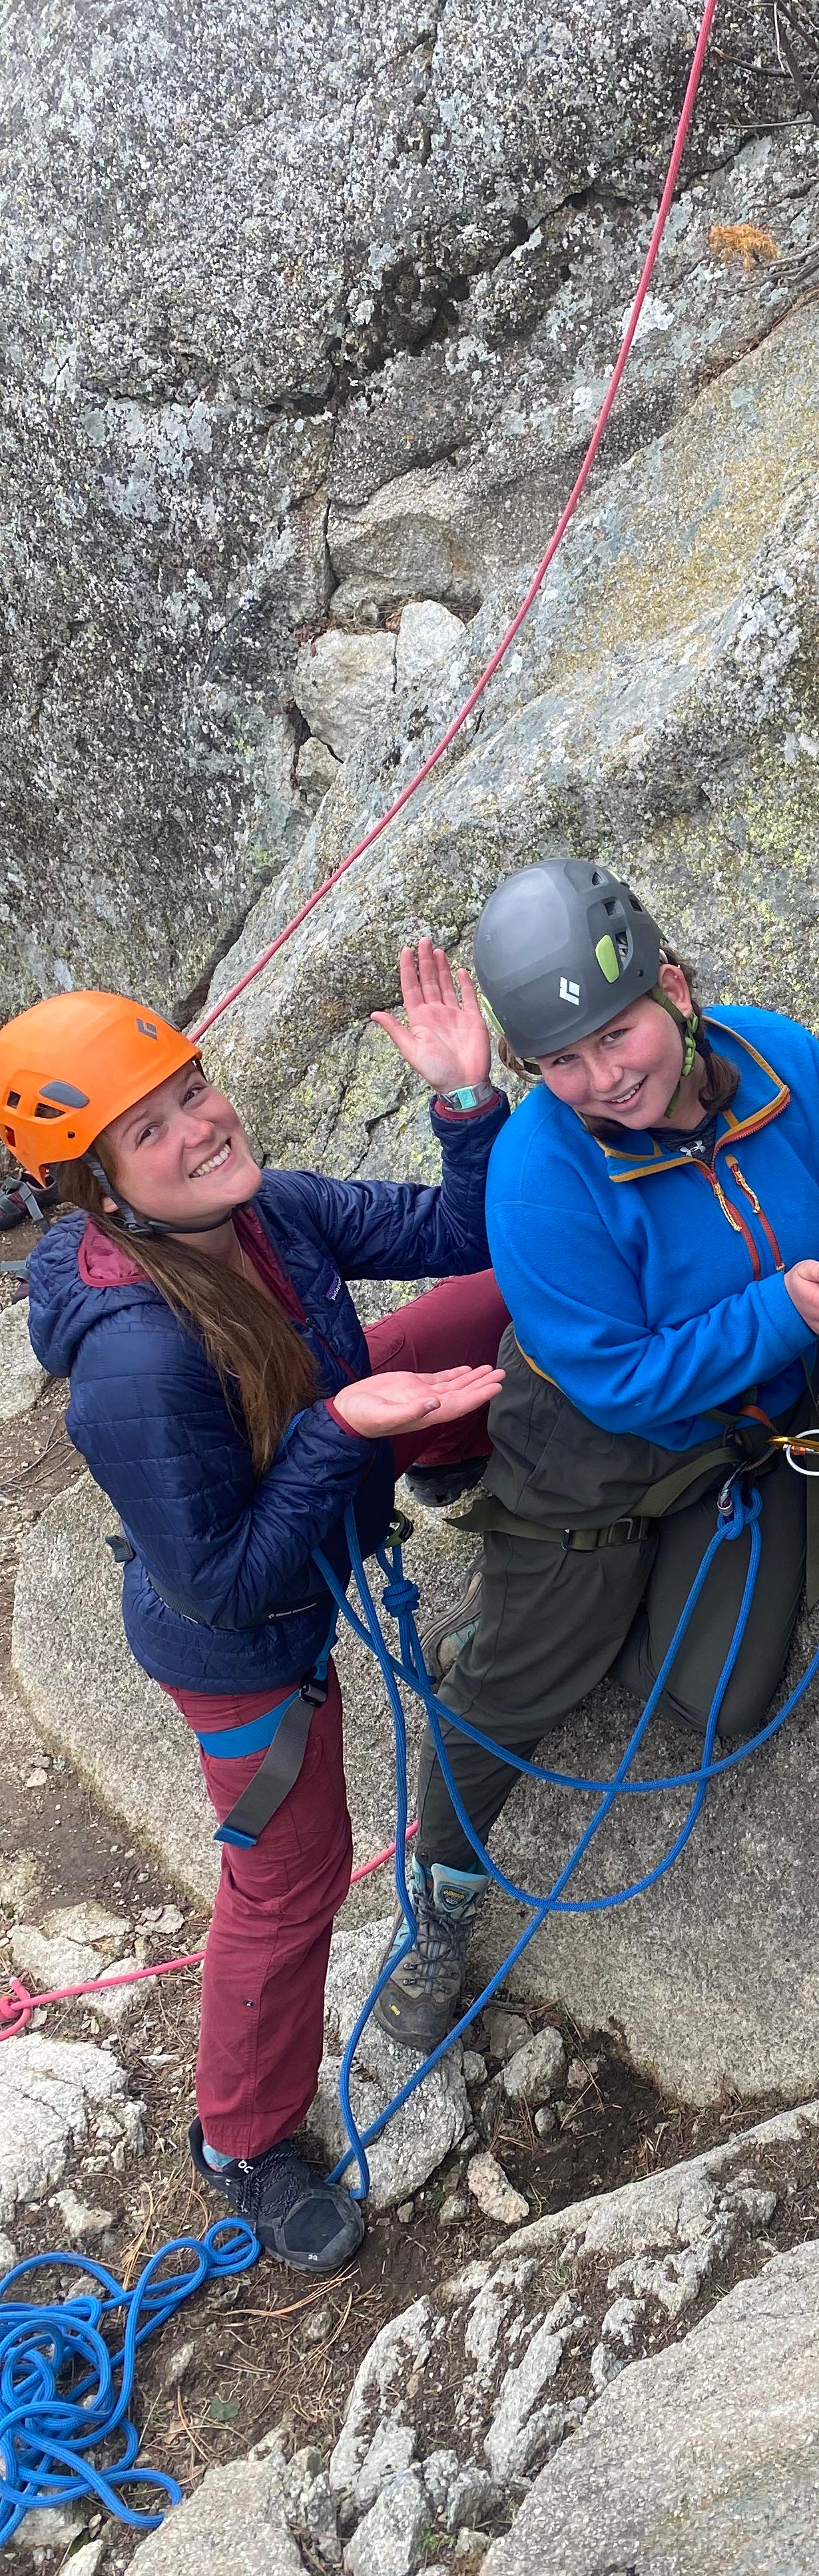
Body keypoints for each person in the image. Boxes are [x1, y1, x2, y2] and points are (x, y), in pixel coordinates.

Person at [371, 858, 819, 2053]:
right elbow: (617, 1377)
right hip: (590, 1450)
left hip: (744, 1437)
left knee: (725, 1704)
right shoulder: (544, 1169)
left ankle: (605, 1611)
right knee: (526, 1680)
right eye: (561, 1063)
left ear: (675, 991)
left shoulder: (784, 1063)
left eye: (617, 1033)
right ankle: (442, 1895)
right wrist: (797, 1315)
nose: (601, 1079)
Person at [10, 948, 510, 2272]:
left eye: (191, 1087)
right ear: (96, 1182)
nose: (198, 1123)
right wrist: (351, 1429)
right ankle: (239, 2138)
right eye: (150, 1125)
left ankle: (467, 1453)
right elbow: (229, 1581)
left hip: (313, 1447)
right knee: (287, 1880)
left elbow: (463, 1232)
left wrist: (468, 1104)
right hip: (244, 1647)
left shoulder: (266, 1216)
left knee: (499, 1294)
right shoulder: (134, 1363)